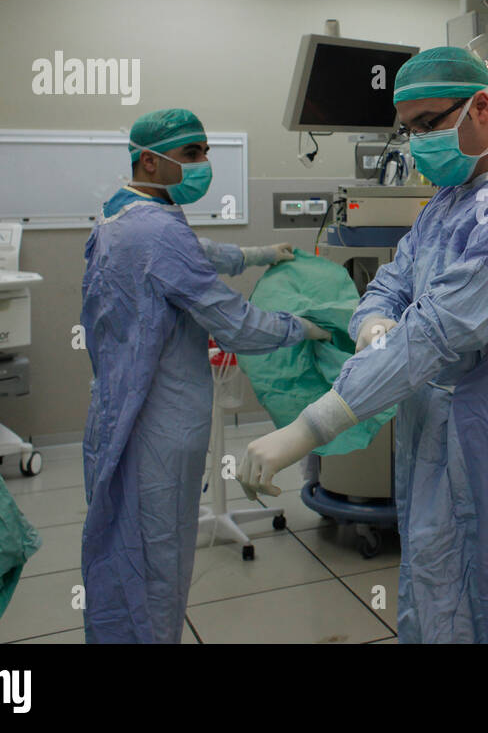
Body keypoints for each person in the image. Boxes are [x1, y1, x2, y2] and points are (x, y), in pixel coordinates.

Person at [239, 48, 488, 644]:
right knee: (440, 591)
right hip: (441, 439)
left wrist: (310, 428)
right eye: (409, 129)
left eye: (430, 123)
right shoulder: (449, 199)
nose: (417, 142)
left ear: (487, 108)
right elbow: (393, 281)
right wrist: (372, 324)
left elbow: (441, 330)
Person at [81, 108, 330, 644]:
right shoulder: (156, 229)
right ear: (150, 159)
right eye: (192, 154)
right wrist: (302, 327)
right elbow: (235, 325)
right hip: (160, 421)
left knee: (118, 542)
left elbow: (191, 254)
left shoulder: (120, 211)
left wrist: (258, 254)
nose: (204, 164)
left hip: (117, 405)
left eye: (205, 152)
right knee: (157, 558)